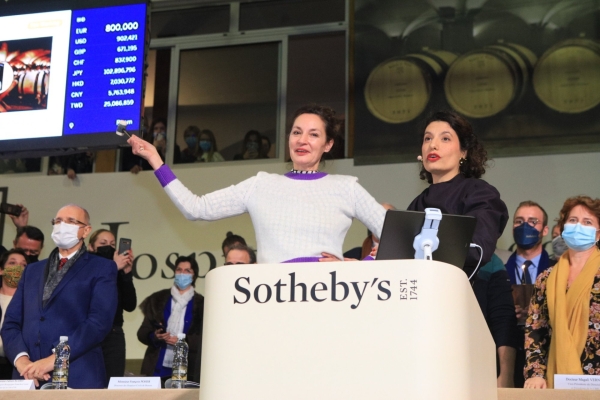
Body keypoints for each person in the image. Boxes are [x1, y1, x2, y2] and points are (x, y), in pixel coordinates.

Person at [127, 104, 386, 263]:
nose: (302, 140)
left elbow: (397, 234)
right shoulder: (261, 185)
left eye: (313, 134)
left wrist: (361, 266)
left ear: (328, 144)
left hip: (328, 297)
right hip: (271, 299)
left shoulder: (346, 187)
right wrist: (155, 159)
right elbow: (196, 208)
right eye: (296, 132)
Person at [407, 110, 515, 387]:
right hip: (419, 325)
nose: (433, 145)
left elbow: (478, 248)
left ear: (464, 151)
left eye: (445, 138)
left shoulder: (479, 193)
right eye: (428, 138)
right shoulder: (415, 205)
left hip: (462, 321)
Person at [1, 204, 118, 388]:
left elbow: (98, 322)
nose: (63, 225)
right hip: (27, 378)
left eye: (71, 221)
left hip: (77, 376)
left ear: (86, 230)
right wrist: (22, 361)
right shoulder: (32, 270)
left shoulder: (102, 268)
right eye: (58, 221)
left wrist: (52, 360)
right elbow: (11, 323)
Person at [524, 196, 600, 389]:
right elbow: (536, 331)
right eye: (573, 221)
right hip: (555, 382)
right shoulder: (546, 278)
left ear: (598, 234)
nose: (578, 226)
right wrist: (536, 374)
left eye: (587, 222)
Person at [505, 201, 556, 388]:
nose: (525, 226)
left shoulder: (558, 272)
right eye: (519, 221)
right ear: (512, 228)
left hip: (546, 360)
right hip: (507, 359)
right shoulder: (497, 273)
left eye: (533, 221)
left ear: (544, 230)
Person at [137, 256, 204, 385]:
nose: (182, 273)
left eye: (187, 271)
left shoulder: (202, 304)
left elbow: (205, 339)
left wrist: (183, 341)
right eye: (179, 270)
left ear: (194, 275)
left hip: (186, 370)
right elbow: (142, 333)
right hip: (156, 368)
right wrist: (155, 336)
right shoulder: (157, 299)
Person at [88, 229, 136, 385]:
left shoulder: (119, 272)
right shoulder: (85, 269)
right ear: (91, 247)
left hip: (114, 333)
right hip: (89, 332)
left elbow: (130, 305)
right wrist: (112, 268)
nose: (108, 247)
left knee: (112, 384)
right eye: (103, 244)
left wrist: (126, 274)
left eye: (112, 244)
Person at [0, 249, 27, 379]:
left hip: (17, 366)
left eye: (23, 265)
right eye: (12, 263)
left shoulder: (32, 302)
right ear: (1, 270)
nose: (18, 268)